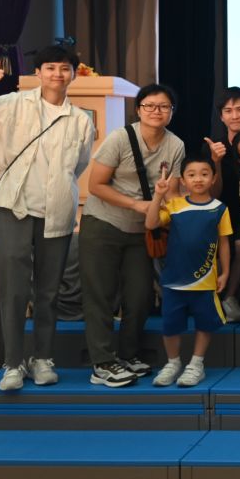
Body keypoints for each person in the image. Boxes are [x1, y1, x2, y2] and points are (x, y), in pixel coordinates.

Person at [0, 47, 95, 392]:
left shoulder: (81, 120)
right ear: (38, 73)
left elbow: (79, 165)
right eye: (50, 68)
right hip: (12, 206)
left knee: (48, 291)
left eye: (64, 68)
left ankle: (43, 359)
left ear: (73, 74)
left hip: (55, 211)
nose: (57, 74)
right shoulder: (10, 104)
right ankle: (13, 363)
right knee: (12, 290)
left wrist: (58, 189)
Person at [80, 83, 185, 387]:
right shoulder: (120, 138)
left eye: (164, 106)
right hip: (103, 223)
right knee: (100, 295)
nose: (156, 111)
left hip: (143, 230)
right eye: (149, 105)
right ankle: (102, 363)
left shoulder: (175, 145)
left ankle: (127, 355)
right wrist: (136, 204)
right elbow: (96, 185)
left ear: (172, 112)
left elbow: (173, 193)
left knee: (139, 296)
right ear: (138, 110)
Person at [144, 155, 231, 387]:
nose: (198, 179)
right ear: (182, 180)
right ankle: (173, 363)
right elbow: (151, 224)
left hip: (205, 280)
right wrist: (158, 195)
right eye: (191, 175)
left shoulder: (220, 209)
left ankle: (196, 364)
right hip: (174, 280)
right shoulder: (175, 205)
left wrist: (225, 272)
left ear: (213, 178)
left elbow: (224, 243)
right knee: (170, 326)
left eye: (204, 174)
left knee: (204, 323)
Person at [212, 86, 240, 323]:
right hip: (221, 212)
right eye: (228, 111)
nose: (235, 115)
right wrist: (216, 162)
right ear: (221, 116)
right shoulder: (214, 147)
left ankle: (229, 297)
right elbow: (213, 193)